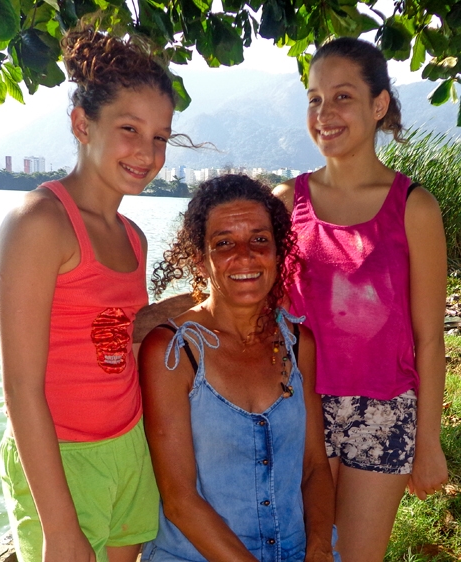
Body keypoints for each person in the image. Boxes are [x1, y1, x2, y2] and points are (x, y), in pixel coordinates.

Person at [0, 26, 177, 562]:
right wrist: (59, 525)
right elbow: (21, 386)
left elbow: (117, 340)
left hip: (128, 446)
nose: (147, 152)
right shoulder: (39, 224)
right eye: (128, 129)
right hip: (61, 460)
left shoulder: (134, 237)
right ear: (81, 123)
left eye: (160, 137)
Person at [273, 37, 449, 562]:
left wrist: (429, 442)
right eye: (314, 98)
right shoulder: (286, 203)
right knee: (303, 552)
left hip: (385, 410)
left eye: (342, 96)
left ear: (379, 105)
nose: (324, 113)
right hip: (299, 407)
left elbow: (429, 339)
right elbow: (253, 311)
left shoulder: (414, 208)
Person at [139, 174, 336, 562]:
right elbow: (179, 501)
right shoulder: (172, 352)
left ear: (279, 251)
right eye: (224, 243)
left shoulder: (298, 344)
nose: (245, 255)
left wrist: (318, 550)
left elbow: (314, 467)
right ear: (200, 257)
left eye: (260, 239)